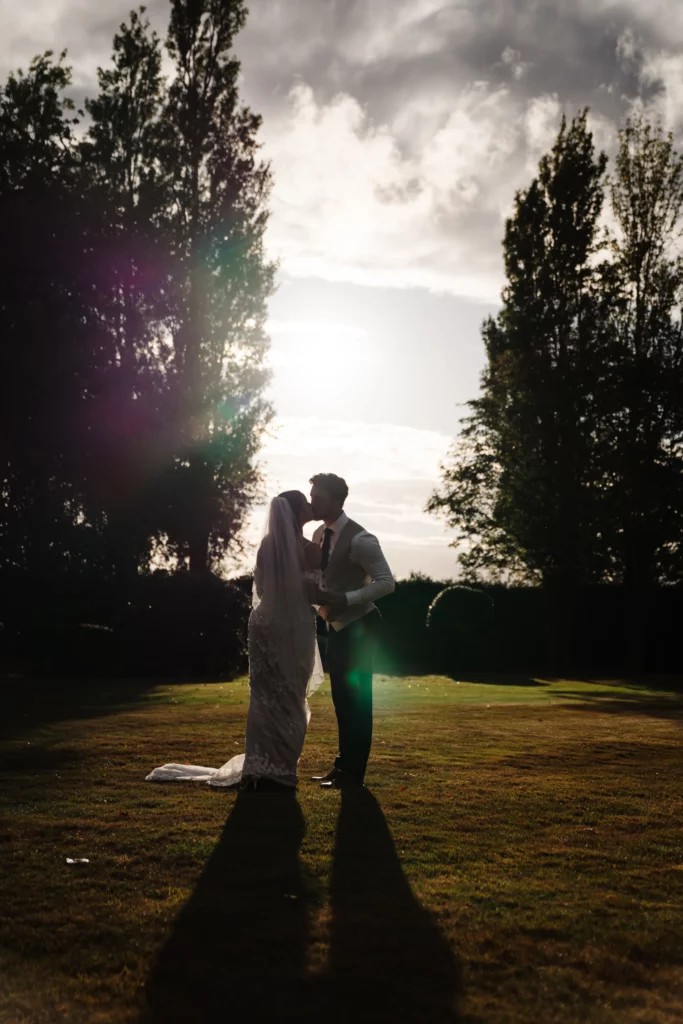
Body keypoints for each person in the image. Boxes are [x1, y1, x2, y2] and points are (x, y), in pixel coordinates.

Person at [145, 491, 324, 790]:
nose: (310, 505)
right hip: (294, 626)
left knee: (265, 697)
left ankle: (260, 766)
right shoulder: (311, 550)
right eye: (305, 502)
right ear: (296, 512)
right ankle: (281, 768)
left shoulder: (267, 546)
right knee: (291, 694)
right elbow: (314, 594)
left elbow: (262, 590)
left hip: (265, 624)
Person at [309, 473, 395, 789]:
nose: (312, 502)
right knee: (341, 699)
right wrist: (320, 607)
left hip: (362, 627)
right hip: (337, 627)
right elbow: (319, 581)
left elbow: (386, 583)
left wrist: (347, 599)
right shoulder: (318, 534)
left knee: (357, 701)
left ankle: (353, 774)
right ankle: (343, 766)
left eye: (318, 497)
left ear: (336, 500)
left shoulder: (362, 539)